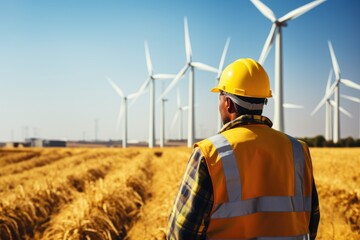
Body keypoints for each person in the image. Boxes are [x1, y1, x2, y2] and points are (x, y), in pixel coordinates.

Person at [166, 58, 320, 240]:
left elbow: (182, 232)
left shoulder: (211, 153)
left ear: (228, 103)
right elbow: (312, 220)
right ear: (263, 101)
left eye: (220, 96)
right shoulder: (298, 150)